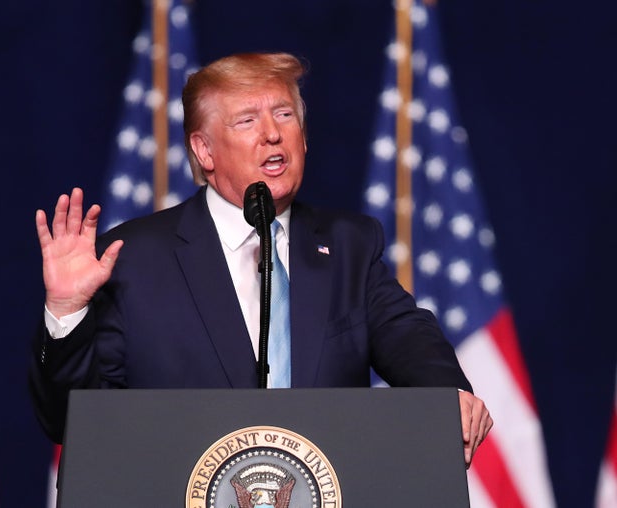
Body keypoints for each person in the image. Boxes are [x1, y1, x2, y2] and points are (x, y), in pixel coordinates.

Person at [30, 52, 492, 468]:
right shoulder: (133, 260)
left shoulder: (348, 245)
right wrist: (67, 313)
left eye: (285, 114)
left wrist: (447, 393)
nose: (272, 133)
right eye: (247, 120)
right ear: (203, 151)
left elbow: (408, 335)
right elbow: (73, 419)